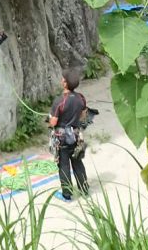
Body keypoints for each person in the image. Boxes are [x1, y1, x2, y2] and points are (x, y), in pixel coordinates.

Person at [48, 68, 90, 201]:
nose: (61, 80)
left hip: (63, 139)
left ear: (65, 83)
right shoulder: (81, 98)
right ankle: (84, 190)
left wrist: (50, 120)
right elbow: (83, 115)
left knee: (64, 165)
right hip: (76, 136)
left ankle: (67, 194)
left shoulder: (60, 101)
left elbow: (53, 122)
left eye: (63, 79)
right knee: (77, 163)